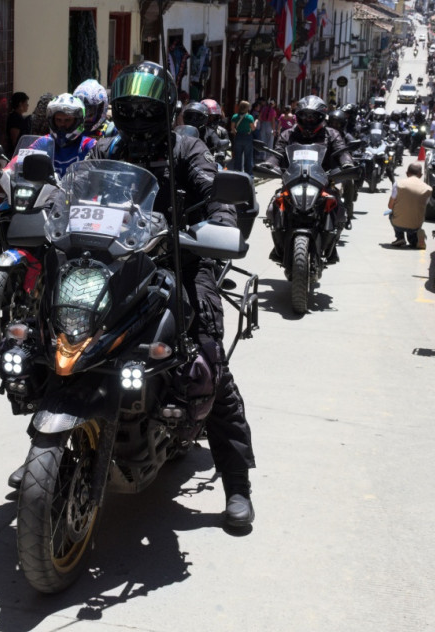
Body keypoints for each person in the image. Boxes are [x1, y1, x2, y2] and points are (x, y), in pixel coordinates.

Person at [92, 61, 257, 528]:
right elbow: (76, 192)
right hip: (116, 262)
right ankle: (53, 447)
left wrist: (216, 226)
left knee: (205, 359)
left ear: (163, 109)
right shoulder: (107, 146)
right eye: (130, 108)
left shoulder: (187, 147)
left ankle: (237, 482)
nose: (138, 117)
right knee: (67, 335)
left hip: (182, 261)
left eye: (147, 109)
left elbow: (217, 195)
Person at [259, 95, 354, 264]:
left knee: (338, 208)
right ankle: (279, 244)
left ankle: (331, 245)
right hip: (294, 180)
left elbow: (342, 151)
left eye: (312, 116)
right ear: (298, 116)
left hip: (323, 181)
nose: (308, 120)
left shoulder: (331, 134)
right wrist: (269, 163)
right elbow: (278, 152)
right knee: (275, 205)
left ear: (320, 117)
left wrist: (347, 163)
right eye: (304, 115)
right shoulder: (289, 134)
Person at [38, 93, 96, 176]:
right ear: (52, 121)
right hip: (48, 188)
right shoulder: (44, 141)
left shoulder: (88, 144)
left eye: (67, 120)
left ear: (78, 121)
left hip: (77, 188)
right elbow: (19, 160)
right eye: (58, 120)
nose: (62, 125)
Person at [388, 162, 431, 249]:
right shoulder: (428, 189)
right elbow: (424, 206)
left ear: (407, 173)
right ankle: (416, 240)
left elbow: (390, 206)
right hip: (416, 224)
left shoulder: (398, 184)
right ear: (421, 175)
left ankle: (400, 237)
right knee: (416, 215)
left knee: (390, 213)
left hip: (398, 223)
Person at [229, 100, 256, 174]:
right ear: (247, 108)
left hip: (238, 137)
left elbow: (232, 129)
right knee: (248, 157)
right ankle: (248, 174)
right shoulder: (249, 117)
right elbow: (253, 128)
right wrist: (256, 122)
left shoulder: (234, 116)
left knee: (237, 156)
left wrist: (236, 133)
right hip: (247, 137)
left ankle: (237, 173)